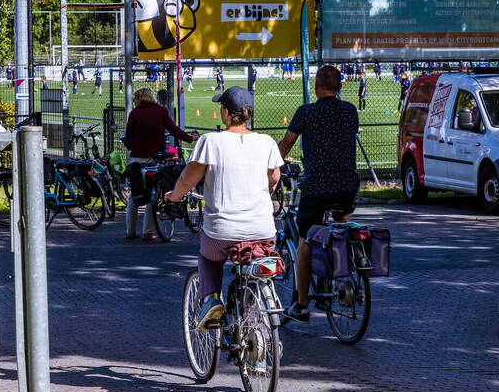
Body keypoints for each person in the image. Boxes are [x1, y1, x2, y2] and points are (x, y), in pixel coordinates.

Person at [165, 86, 283, 330]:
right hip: (263, 229)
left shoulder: (211, 141)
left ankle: (210, 300)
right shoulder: (267, 142)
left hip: (222, 231)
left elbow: (188, 179)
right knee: (259, 267)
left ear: (227, 113)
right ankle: (257, 330)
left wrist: (173, 197)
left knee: (208, 258)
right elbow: (274, 178)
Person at [276, 65, 359, 323]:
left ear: (316, 86)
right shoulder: (349, 111)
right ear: (340, 87)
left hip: (317, 186)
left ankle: (301, 305)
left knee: (304, 242)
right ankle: (346, 264)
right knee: (341, 220)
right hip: (347, 185)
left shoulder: (307, 112)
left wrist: (271, 163)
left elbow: (286, 143)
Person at [122, 87, 197, 241]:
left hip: (138, 158)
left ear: (138, 99)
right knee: (153, 194)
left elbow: (128, 137)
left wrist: (131, 147)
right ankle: (147, 231)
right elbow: (174, 130)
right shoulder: (160, 111)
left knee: (134, 194)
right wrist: (190, 138)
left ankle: (130, 230)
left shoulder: (134, 114)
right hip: (156, 158)